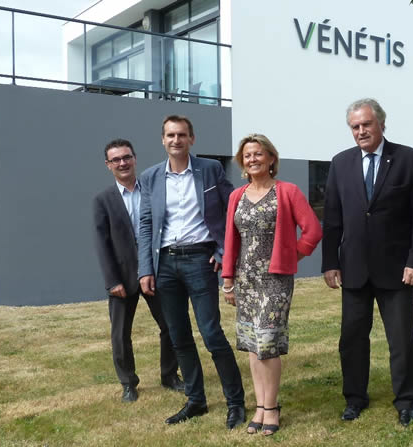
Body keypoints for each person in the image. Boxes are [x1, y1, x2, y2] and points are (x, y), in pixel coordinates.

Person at [322, 98, 413, 427]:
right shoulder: (340, 163)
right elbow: (332, 219)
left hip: (397, 269)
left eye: (366, 125)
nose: (360, 131)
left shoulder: (409, 159)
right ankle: (355, 398)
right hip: (353, 268)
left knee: (401, 340)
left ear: (381, 124)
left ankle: (407, 400)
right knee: (352, 339)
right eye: (355, 127)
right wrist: (330, 262)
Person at [137, 115, 246, 429]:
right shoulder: (151, 177)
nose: (176, 140)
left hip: (200, 260)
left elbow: (232, 208)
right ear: (162, 139)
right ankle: (196, 400)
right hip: (165, 264)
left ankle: (235, 403)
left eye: (182, 135)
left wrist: (223, 251)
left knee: (212, 333)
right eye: (170, 135)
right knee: (178, 336)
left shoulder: (210, 169)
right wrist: (146, 267)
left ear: (191, 139)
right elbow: (145, 225)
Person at [221, 134, 322, 435]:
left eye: (258, 154)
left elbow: (313, 231)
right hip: (245, 279)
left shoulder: (287, 191)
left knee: (267, 342)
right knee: (253, 344)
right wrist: (227, 281)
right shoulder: (236, 196)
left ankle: (273, 406)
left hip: (275, 280)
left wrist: (291, 257)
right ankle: (260, 406)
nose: (253, 159)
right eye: (247, 155)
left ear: (271, 159)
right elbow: (230, 240)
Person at [92, 138, 184, 403]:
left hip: (156, 272)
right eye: (116, 159)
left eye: (126, 157)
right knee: (120, 335)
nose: (123, 163)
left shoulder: (154, 190)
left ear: (134, 158)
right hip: (122, 277)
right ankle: (128, 383)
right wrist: (112, 281)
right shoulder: (103, 200)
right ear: (108, 165)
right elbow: (102, 244)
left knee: (170, 325)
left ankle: (169, 375)